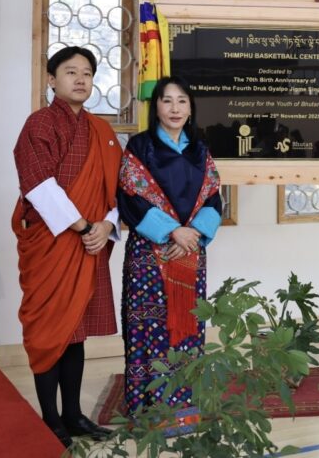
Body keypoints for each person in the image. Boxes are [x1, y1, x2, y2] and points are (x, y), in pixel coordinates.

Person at [12, 46, 122, 447]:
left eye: (87, 73)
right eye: (71, 71)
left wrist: (106, 224)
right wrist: (83, 225)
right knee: (49, 330)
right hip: (53, 243)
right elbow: (38, 184)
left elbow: (116, 188)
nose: (80, 79)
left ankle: (74, 415)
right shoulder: (39, 125)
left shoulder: (103, 132)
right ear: (50, 79)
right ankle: (51, 419)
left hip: (88, 243)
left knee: (76, 333)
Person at [117, 76, 223, 414]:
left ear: (191, 108)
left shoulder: (200, 150)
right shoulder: (139, 147)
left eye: (182, 101)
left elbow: (214, 197)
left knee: (187, 323)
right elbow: (130, 197)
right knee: (149, 326)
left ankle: (184, 400)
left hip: (190, 251)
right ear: (156, 107)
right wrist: (172, 232)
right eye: (167, 100)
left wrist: (193, 233)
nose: (175, 108)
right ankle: (148, 404)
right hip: (150, 253)